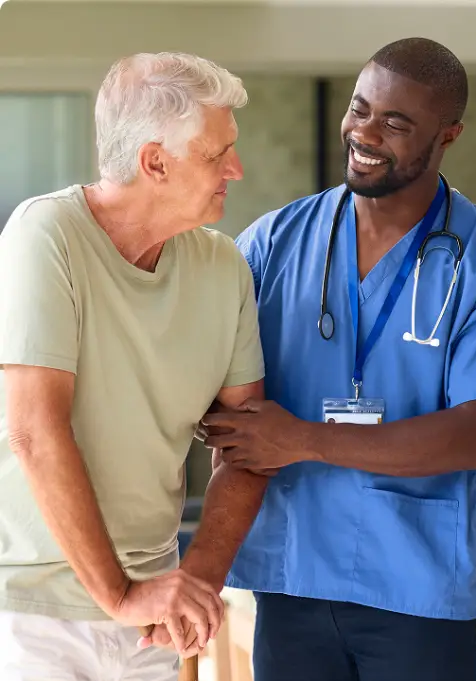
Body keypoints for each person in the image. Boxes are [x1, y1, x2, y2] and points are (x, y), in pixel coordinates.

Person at [201, 38, 476, 681]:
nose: (366, 133)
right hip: (292, 578)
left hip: (418, 595)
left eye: (396, 123)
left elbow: (475, 438)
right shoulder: (273, 244)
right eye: (360, 109)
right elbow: (216, 390)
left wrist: (301, 439)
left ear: (448, 134)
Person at [0, 52, 270, 680]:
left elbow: (247, 441)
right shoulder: (46, 236)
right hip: (33, 616)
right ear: (156, 162)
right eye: (216, 154)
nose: (236, 168)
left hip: (152, 614)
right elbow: (35, 431)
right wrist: (119, 595)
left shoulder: (224, 267)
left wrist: (196, 580)